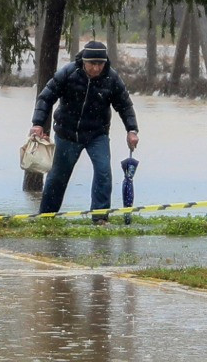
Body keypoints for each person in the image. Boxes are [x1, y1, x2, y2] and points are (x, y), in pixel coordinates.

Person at [30, 40, 139, 225]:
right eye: (92, 64)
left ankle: (100, 218)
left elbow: (125, 106)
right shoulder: (68, 73)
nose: (96, 68)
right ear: (84, 62)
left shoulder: (111, 78)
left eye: (100, 64)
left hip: (97, 134)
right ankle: (46, 217)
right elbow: (46, 97)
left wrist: (132, 130)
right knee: (57, 177)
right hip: (67, 133)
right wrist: (38, 123)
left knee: (104, 173)